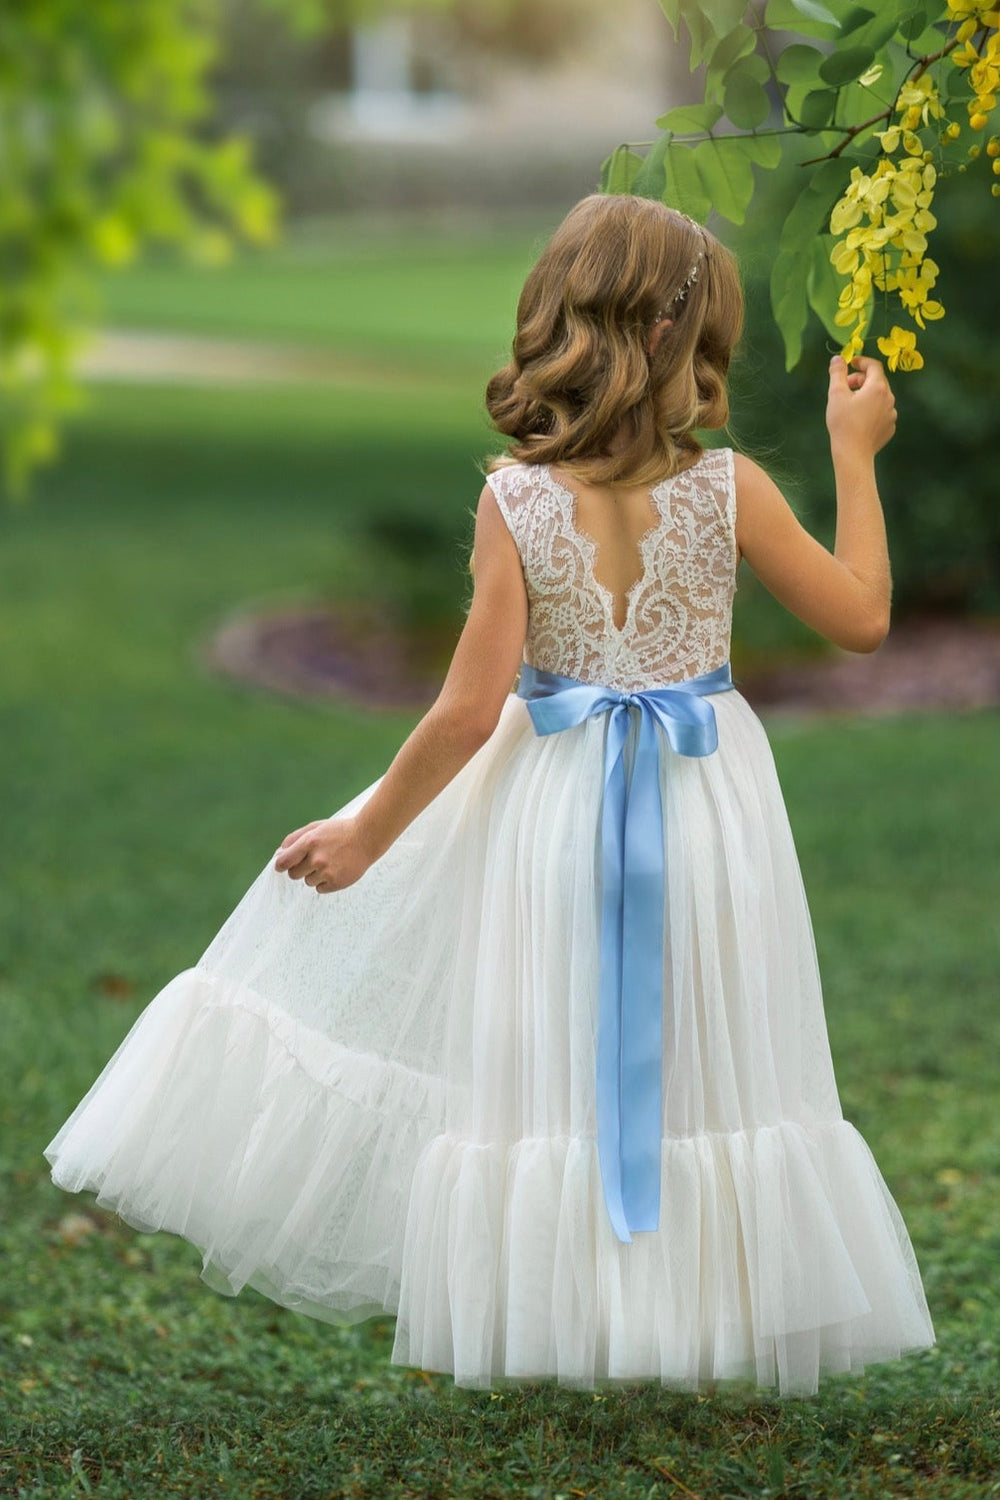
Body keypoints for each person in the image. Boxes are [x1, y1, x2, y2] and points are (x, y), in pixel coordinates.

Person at [44, 194, 936, 1398]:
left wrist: (368, 833)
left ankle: (576, 1321)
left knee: (555, 1058)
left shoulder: (517, 504)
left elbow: (467, 712)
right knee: (706, 1053)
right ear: (687, 348)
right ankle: (686, 1317)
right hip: (708, 797)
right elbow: (865, 620)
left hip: (553, 808)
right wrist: (854, 456)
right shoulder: (733, 493)